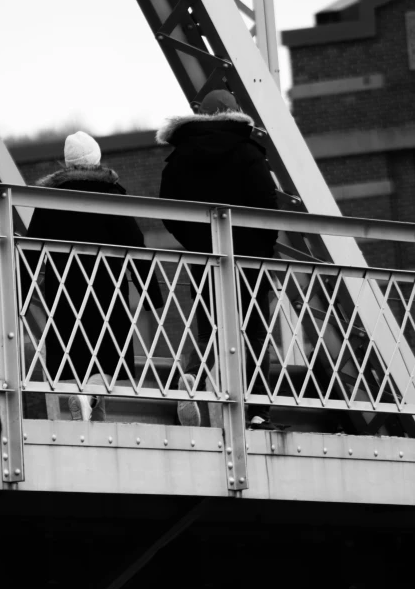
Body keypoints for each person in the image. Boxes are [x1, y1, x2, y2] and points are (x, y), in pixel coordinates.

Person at [156, 90, 278, 429]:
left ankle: (193, 377)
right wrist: (260, 245)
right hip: (249, 259)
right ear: (234, 113)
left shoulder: (180, 156)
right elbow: (267, 206)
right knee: (253, 331)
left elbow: (170, 211)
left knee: (210, 327)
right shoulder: (248, 152)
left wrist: (198, 242)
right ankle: (256, 410)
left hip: (206, 257)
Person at [22, 131, 163, 421]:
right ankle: (89, 397)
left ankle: (86, 410)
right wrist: (151, 293)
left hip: (64, 293)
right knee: (107, 363)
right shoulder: (111, 197)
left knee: (73, 359)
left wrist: (21, 292)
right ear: (97, 159)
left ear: (67, 163)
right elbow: (134, 245)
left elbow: (30, 250)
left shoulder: (50, 199)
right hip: (106, 293)